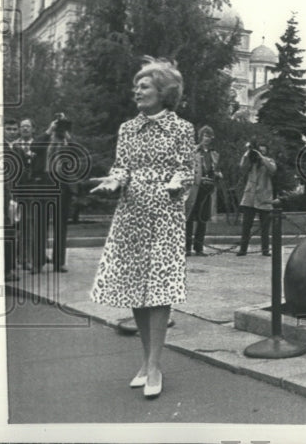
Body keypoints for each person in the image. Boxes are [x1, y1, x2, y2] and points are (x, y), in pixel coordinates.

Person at [89, 58, 195, 399]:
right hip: (131, 212)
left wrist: (177, 183)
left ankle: (154, 365)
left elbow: (186, 170)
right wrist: (112, 183)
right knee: (135, 287)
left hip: (164, 213)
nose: (138, 91)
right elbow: (121, 168)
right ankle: (147, 360)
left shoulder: (182, 128)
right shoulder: (127, 128)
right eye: (137, 86)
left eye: (145, 86)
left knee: (159, 289)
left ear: (163, 92)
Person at [11, 118, 53, 273]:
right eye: (22, 127)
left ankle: (35, 257)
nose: (25, 129)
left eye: (28, 126)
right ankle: (22, 258)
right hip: (20, 188)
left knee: (37, 223)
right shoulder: (14, 145)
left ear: (33, 129)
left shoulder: (40, 144)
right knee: (22, 224)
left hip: (36, 187)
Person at [44, 114, 76, 272]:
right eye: (59, 126)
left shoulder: (67, 142)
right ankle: (38, 260)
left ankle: (59, 262)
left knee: (60, 226)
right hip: (47, 185)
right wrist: (50, 130)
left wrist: (68, 136)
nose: (61, 130)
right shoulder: (47, 140)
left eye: (64, 126)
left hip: (63, 187)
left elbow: (77, 153)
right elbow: (37, 147)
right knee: (41, 224)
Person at [185, 125, 221, 256]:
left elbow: (214, 169)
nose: (207, 139)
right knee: (189, 217)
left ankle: (199, 248)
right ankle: (187, 247)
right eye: (204, 136)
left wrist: (217, 174)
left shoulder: (214, 154)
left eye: (209, 136)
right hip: (195, 187)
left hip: (208, 188)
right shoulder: (193, 151)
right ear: (200, 137)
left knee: (203, 218)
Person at [236, 142, 277, 257]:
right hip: (250, 197)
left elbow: (272, 170)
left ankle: (265, 250)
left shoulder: (269, 161)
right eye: (259, 151)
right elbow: (242, 167)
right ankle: (242, 249)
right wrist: (248, 153)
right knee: (246, 225)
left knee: (265, 227)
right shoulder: (251, 162)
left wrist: (261, 157)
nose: (260, 153)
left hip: (264, 197)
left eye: (263, 151)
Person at [2, 117, 21, 282]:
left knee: (12, 232)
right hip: (2, 197)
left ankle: (10, 267)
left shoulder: (16, 149)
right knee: (6, 232)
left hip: (14, 196)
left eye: (15, 129)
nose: (12, 132)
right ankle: (6, 270)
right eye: (9, 129)